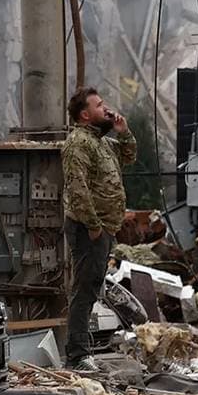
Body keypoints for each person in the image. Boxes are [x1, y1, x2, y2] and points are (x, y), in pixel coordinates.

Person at [61, 86, 137, 368]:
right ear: (84, 115)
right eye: (99, 105)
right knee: (84, 288)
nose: (106, 109)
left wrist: (123, 130)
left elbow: (129, 156)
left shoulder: (101, 142)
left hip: (105, 227)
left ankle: (82, 349)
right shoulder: (78, 143)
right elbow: (77, 189)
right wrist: (93, 226)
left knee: (92, 286)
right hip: (89, 228)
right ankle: (78, 355)